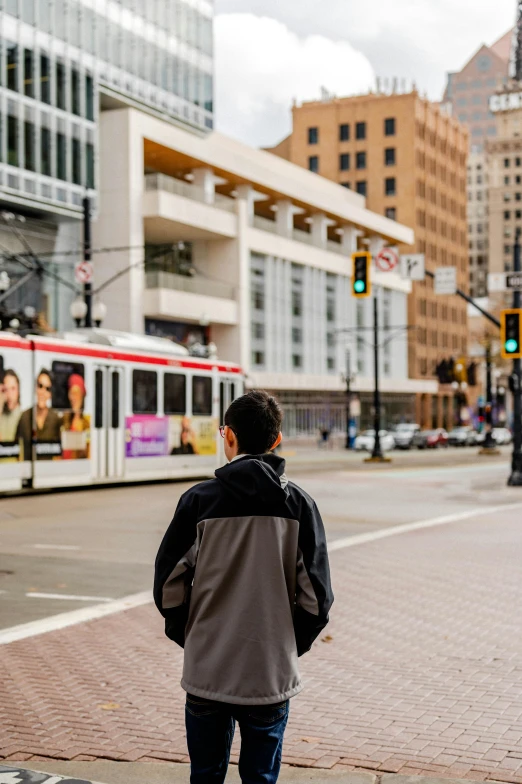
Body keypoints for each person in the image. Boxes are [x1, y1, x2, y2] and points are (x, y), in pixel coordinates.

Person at [154, 389, 333, 784]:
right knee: (259, 778)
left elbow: (168, 586)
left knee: (205, 775)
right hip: (268, 673)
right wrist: (290, 642)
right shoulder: (300, 507)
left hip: (207, 671)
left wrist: (192, 635)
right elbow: (317, 601)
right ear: (276, 440)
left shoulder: (198, 502)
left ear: (228, 437)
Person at [16, 369, 62, 460]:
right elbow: (17, 449)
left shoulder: (56, 419)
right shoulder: (24, 417)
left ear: (51, 394)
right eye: (40, 386)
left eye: (47, 389)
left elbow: (60, 452)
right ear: (35, 388)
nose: (43, 392)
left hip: (49, 472)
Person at [61, 374, 90, 459]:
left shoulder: (87, 423)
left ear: (82, 395)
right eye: (71, 393)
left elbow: (88, 453)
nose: (74, 398)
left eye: (77, 393)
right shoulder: (64, 420)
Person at [0, 369, 22, 442]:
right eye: (6, 389)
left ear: (18, 390)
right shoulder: (1, 415)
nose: (9, 394)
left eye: (13, 389)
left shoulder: (24, 417)